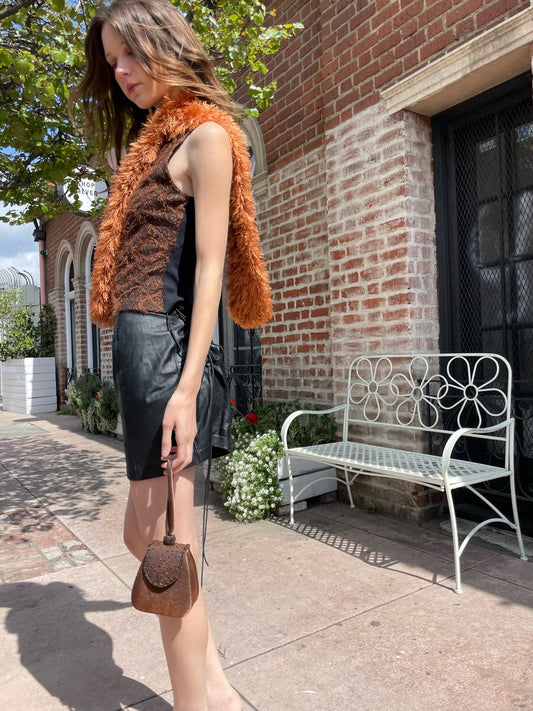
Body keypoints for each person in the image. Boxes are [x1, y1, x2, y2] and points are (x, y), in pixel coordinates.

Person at [74, 1, 272, 709]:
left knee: (164, 549)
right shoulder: (149, 150)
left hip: (164, 357)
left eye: (131, 53)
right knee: (147, 536)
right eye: (111, 59)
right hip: (137, 356)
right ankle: (213, 680)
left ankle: (200, 700)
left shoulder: (207, 139)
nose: (121, 70)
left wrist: (186, 390)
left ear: (166, 44)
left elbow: (212, 270)